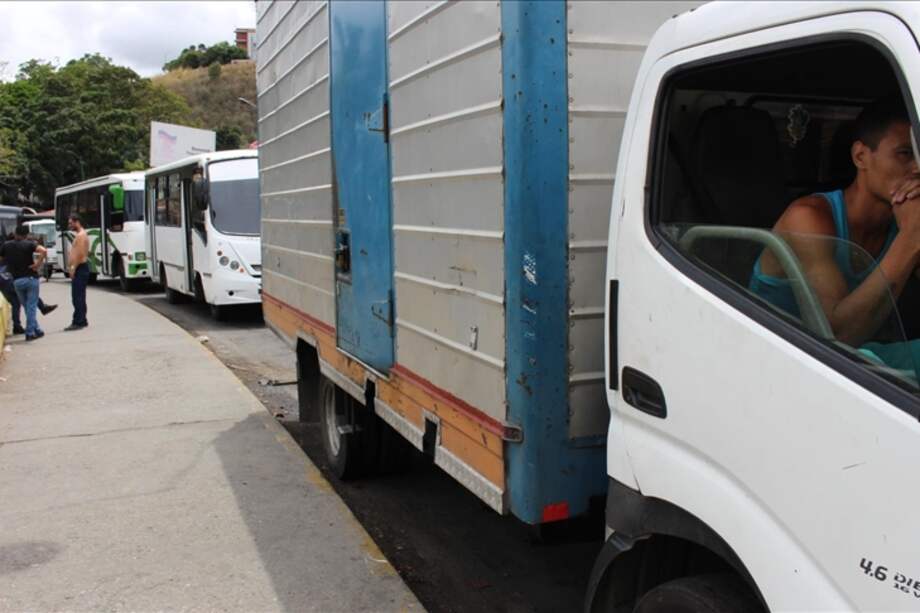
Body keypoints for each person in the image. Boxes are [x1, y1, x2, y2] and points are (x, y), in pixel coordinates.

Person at [751, 95, 920, 368]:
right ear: (860, 156)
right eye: (904, 153)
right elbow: (837, 336)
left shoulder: (903, 220)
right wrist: (911, 238)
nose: (916, 168)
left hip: (855, 358)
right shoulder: (807, 218)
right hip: (784, 359)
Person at [0, 225, 47, 341]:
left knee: (27, 307)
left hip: (16, 281)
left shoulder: (6, 245)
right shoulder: (29, 244)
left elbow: (1, 259)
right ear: (26, 235)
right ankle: (30, 332)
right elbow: (44, 250)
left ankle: (37, 329)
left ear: (15, 233)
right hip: (31, 279)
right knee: (31, 307)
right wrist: (37, 264)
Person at [65, 213, 90, 331]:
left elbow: (79, 254)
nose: (69, 225)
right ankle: (82, 319)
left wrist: (73, 268)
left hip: (80, 268)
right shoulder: (81, 234)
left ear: (77, 222)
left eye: (71, 223)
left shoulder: (80, 236)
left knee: (77, 297)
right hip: (81, 268)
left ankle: (78, 321)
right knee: (79, 296)